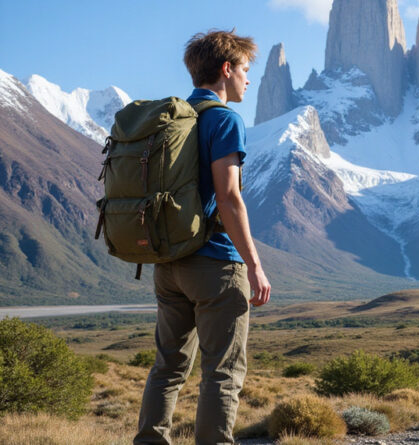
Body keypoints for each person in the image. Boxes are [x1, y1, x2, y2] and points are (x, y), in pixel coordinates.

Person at [134, 30, 271, 445]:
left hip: (168, 262)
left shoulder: (172, 118)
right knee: (222, 372)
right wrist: (254, 265)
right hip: (215, 264)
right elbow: (228, 198)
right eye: (245, 69)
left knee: (167, 368)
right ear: (226, 69)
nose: (249, 79)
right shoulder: (224, 119)